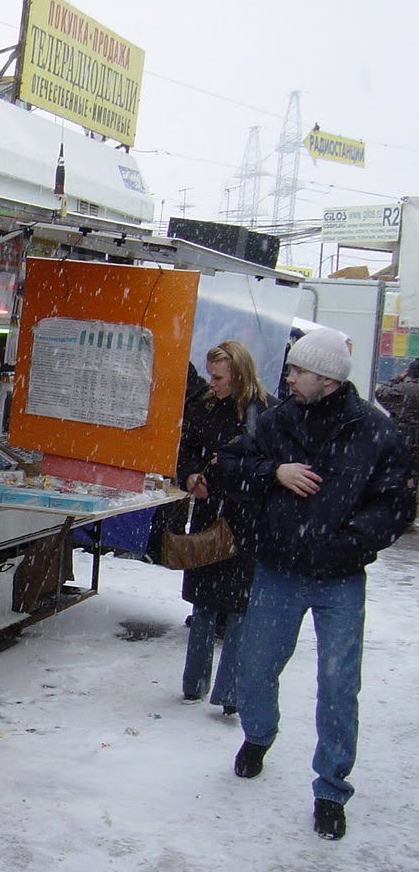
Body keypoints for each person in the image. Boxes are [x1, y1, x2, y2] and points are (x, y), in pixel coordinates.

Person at [208, 327, 415, 840]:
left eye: (298, 370)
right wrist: (274, 472)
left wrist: (345, 544)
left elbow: (395, 505)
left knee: (339, 685)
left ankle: (330, 788)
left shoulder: (375, 431)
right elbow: (227, 467)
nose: (290, 377)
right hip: (278, 571)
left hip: (339, 580)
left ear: (325, 378)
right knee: (254, 670)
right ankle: (258, 735)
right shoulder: (278, 422)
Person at [176, 342, 272, 714]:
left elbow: (269, 468)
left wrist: (232, 478)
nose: (211, 383)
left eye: (218, 377)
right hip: (207, 514)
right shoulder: (203, 407)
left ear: (239, 374)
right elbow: (185, 449)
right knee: (202, 602)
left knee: (239, 610)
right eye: (211, 375)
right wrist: (190, 476)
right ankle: (193, 685)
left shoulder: (265, 413)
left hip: (246, 522)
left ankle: (229, 694)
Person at [374, 358, 419, 509]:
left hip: (402, 440)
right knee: (413, 477)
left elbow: (380, 393)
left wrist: (399, 377)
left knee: (400, 476)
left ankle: (398, 509)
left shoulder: (403, 390)